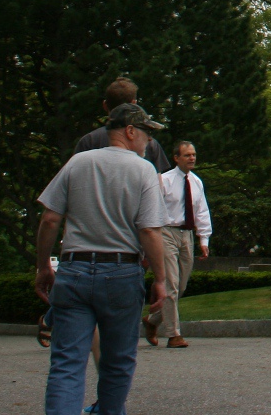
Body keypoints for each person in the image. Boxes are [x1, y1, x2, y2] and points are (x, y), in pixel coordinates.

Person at [36, 103, 170, 415]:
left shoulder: (78, 162)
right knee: (118, 360)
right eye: (147, 134)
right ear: (130, 131)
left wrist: (44, 265)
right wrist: (161, 280)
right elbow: (149, 230)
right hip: (121, 272)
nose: (149, 142)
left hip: (73, 271)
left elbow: (49, 220)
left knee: (67, 361)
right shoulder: (143, 170)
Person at [148, 140, 211, 349]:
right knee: (171, 284)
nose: (192, 158)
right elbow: (152, 210)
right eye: (187, 155)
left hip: (187, 236)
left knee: (181, 286)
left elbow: (202, 211)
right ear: (176, 158)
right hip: (167, 233)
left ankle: (153, 320)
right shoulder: (164, 180)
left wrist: (204, 239)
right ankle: (174, 334)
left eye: (193, 154)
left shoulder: (196, 182)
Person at [74, 78, 171, 173]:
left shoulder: (88, 141)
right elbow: (158, 185)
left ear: (104, 105)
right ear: (134, 103)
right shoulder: (150, 144)